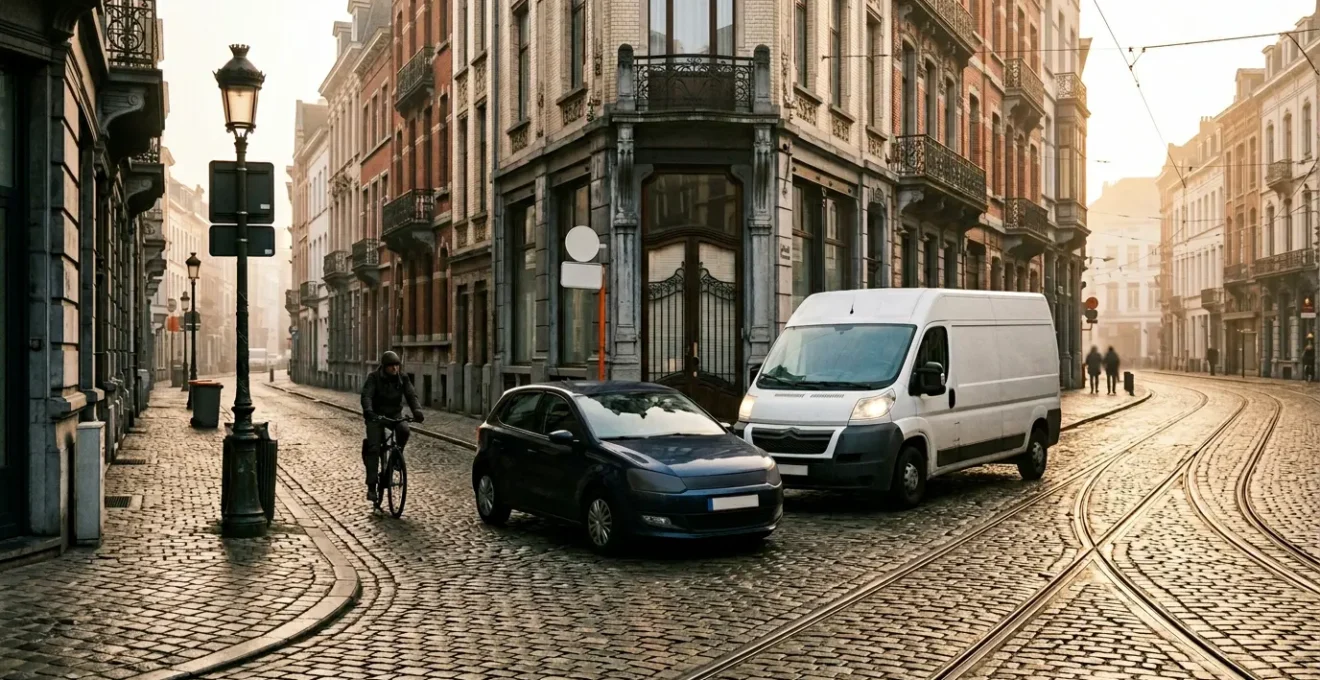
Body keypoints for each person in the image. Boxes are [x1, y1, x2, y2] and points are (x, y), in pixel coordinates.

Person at [361, 351, 424, 502]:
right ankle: (371, 487)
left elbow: (411, 395)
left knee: (404, 430)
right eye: (391, 366)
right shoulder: (373, 378)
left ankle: (396, 459)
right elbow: (367, 395)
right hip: (376, 416)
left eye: (397, 366)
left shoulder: (403, 378)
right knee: (374, 448)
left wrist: (417, 410)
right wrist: (368, 411)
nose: (395, 369)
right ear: (384, 367)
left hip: (394, 414)